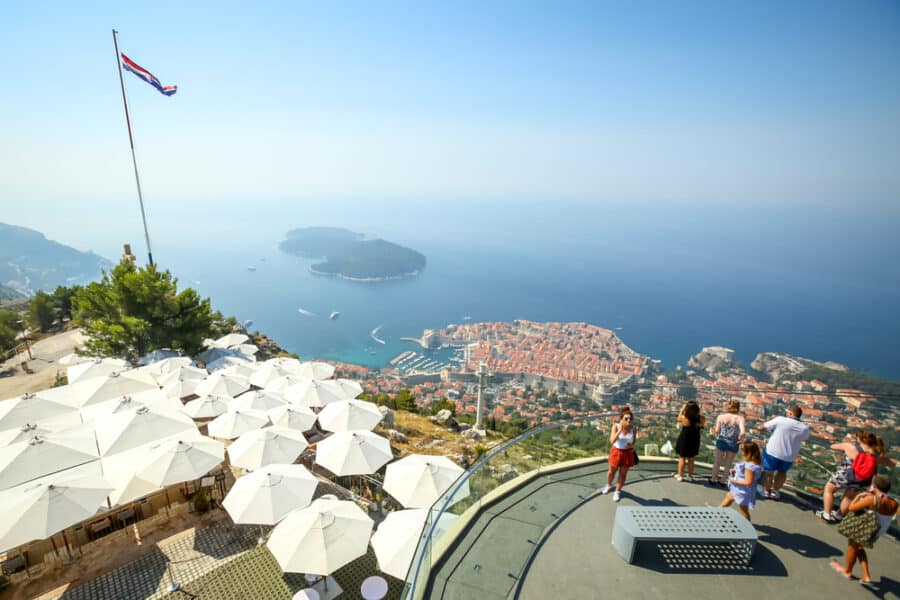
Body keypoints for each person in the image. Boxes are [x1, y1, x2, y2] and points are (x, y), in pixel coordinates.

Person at [830, 475, 899, 585]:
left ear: (874, 486)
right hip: (878, 530)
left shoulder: (872, 499)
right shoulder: (894, 502)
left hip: (866, 527)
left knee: (853, 546)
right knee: (859, 547)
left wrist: (860, 496)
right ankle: (866, 575)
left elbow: (852, 507)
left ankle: (847, 571)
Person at [816, 431, 878, 523]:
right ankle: (838, 515)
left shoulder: (850, 446)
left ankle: (826, 514)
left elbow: (833, 446)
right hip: (860, 479)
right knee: (849, 498)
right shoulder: (875, 454)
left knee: (829, 489)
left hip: (845, 475)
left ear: (861, 439)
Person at [761, 404, 810, 499]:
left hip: (772, 451)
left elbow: (764, 427)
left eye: (787, 412)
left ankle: (766, 491)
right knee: (782, 472)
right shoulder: (804, 428)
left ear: (791, 413)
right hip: (789, 455)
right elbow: (805, 438)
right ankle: (775, 491)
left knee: (768, 472)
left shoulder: (780, 420)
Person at [719, 441, 763, 521]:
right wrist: (736, 472)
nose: (741, 452)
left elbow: (748, 482)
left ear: (748, 451)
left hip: (742, 491)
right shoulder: (757, 462)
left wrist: (734, 480)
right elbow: (752, 477)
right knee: (729, 497)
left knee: (744, 511)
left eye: (742, 449)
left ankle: (747, 528)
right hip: (743, 490)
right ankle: (717, 512)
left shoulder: (749, 466)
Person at [602, 407, 637, 502]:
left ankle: (617, 491)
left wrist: (631, 446)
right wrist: (620, 430)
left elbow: (634, 442)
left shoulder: (633, 429)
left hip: (627, 453)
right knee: (611, 472)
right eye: (626, 418)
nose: (629, 420)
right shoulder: (616, 426)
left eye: (630, 418)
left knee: (623, 474)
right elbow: (612, 441)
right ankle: (609, 485)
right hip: (616, 452)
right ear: (621, 419)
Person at [708, 400, 746, 486]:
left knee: (717, 462)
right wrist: (740, 438)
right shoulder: (740, 418)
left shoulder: (721, 417)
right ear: (738, 407)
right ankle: (723, 481)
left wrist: (713, 430)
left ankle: (713, 479)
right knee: (728, 463)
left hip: (722, 440)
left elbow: (717, 431)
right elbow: (743, 432)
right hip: (733, 442)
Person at [674, 400, 705, 482]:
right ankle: (690, 476)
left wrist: (682, 409)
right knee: (691, 459)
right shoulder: (701, 419)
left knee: (682, 458)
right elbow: (702, 425)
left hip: (684, 439)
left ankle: (680, 475)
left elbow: (678, 418)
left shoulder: (685, 418)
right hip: (694, 440)